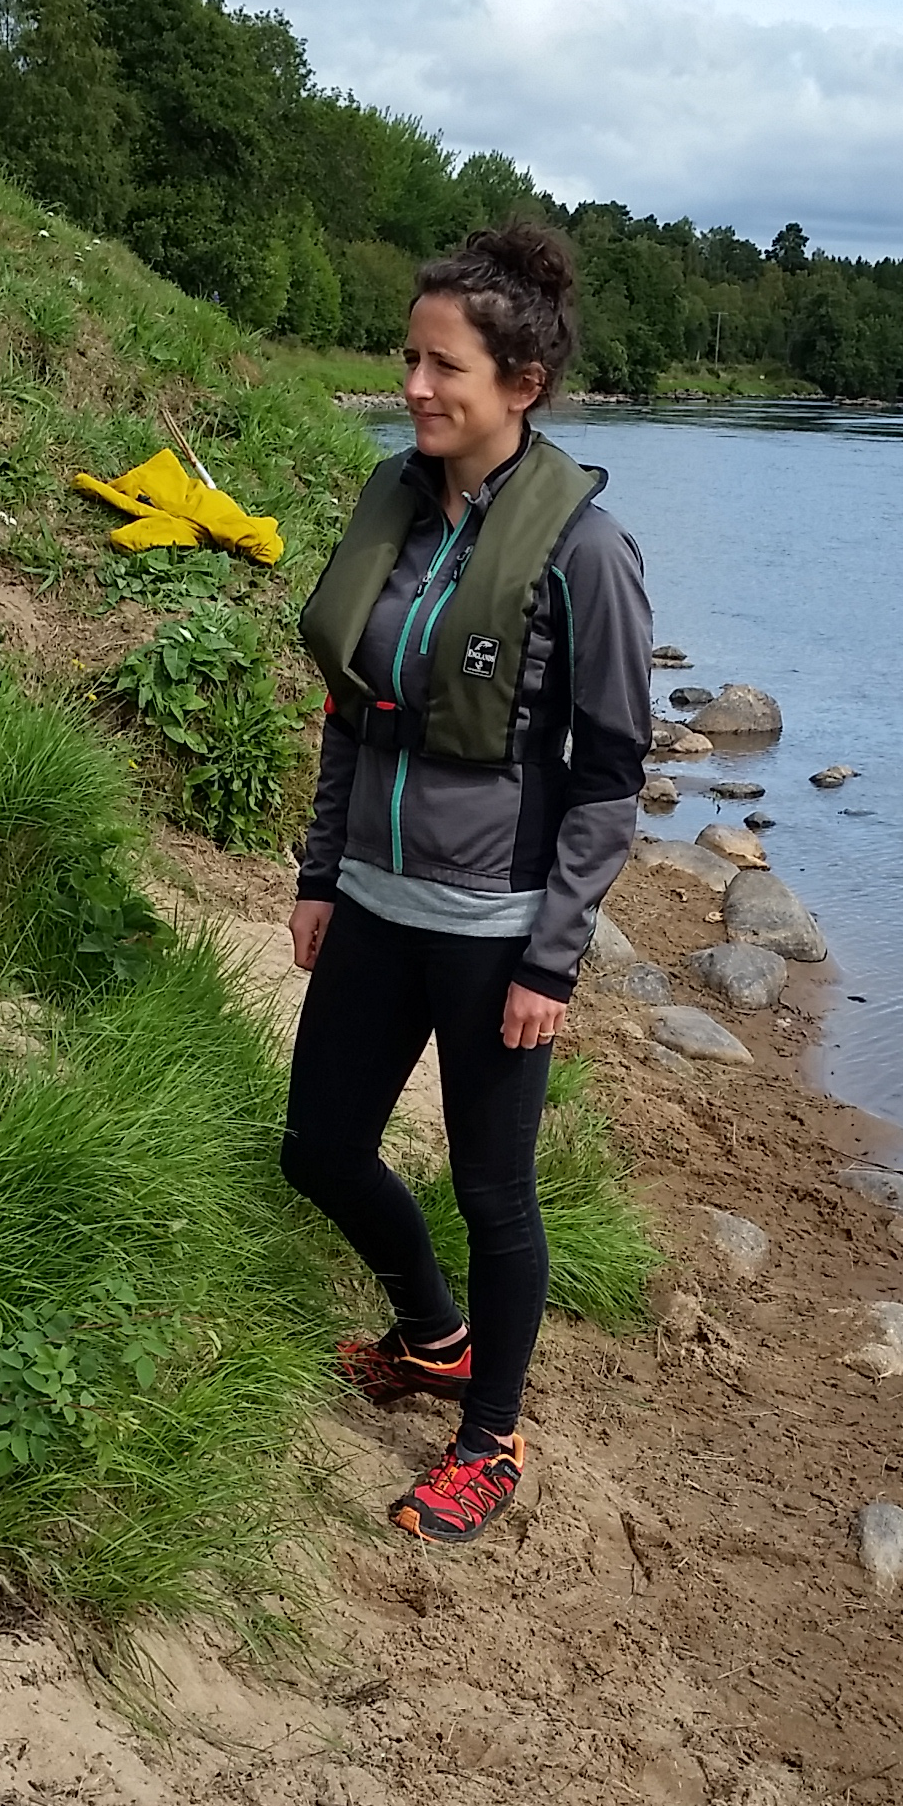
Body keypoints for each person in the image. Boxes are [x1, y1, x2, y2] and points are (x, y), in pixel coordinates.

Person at [281, 221, 653, 1544]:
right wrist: (322, 870)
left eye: (444, 367)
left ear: (522, 385)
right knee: (316, 1147)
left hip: (496, 933)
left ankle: (489, 1439)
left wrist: (554, 956)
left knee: (497, 1192)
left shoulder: (585, 552)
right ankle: (435, 1330)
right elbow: (351, 711)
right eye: (410, 359)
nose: (416, 388)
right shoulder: (399, 506)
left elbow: (611, 774)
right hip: (376, 902)